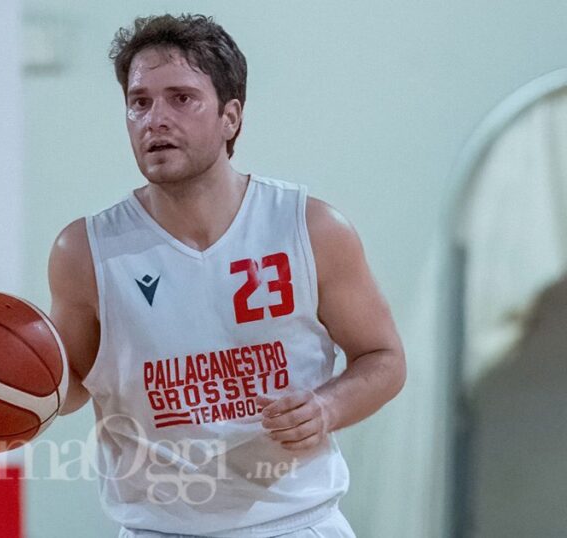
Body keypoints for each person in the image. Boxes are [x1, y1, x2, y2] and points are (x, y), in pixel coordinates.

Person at [47, 13, 406, 538]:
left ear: (231, 116)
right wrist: (10, 384)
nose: (155, 119)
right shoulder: (84, 250)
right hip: (157, 528)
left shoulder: (310, 228)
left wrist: (326, 407)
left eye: (181, 98)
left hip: (296, 523)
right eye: (139, 101)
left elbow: (385, 358)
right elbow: (69, 386)